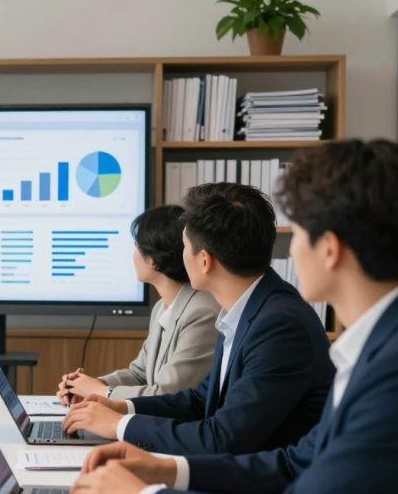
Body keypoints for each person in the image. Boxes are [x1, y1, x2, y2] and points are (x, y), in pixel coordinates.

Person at [70, 140, 398, 494]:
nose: (290, 251)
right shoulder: (391, 342)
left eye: (296, 234)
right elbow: (295, 463)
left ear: (330, 249)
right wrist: (164, 470)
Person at [62, 182, 333, 455]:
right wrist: (122, 407)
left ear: (204, 261)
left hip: (264, 486)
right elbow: (200, 399)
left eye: (184, 246)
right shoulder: (247, 309)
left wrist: (120, 425)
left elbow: (223, 438)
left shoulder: (279, 325)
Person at [56, 205, 219, 402]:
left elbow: (167, 394)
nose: (133, 254)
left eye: (137, 245)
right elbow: (139, 374)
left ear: (153, 260)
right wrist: (87, 386)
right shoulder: (162, 307)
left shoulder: (201, 312)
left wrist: (100, 392)